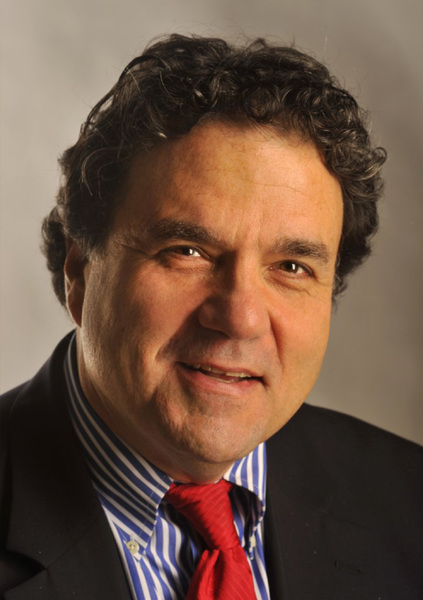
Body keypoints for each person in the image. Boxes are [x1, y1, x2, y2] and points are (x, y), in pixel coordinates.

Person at [1, 34, 422, 600]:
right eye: (188, 251)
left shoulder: (408, 504)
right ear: (80, 271)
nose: (240, 318)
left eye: (291, 266)